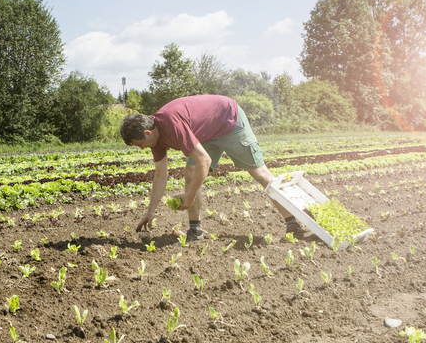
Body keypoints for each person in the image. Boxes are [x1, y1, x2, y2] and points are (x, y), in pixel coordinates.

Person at [120, 94, 298, 242]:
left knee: (259, 173)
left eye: (139, 144)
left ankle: (294, 223)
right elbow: (160, 175)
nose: (141, 148)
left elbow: (204, 160)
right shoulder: (155, 141)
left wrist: (189, 196)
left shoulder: (170, 123)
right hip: (206, 132)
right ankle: (195, 231)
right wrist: (150, 211)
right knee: (189, 172)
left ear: (147, 133)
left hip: (228, 121)